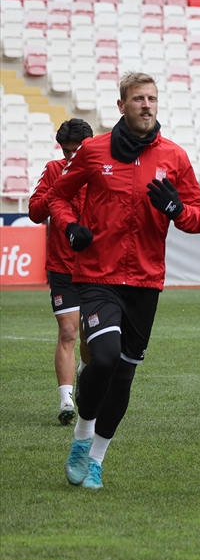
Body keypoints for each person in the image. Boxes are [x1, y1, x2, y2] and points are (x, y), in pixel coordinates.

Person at [49, 72, 200, 490]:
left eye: (151, 98)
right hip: (98, 275)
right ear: (122, 105)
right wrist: (69, 227)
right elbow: (58, 197)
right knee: (102, 358)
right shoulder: (93, 150)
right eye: (138, 98)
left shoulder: (174, 156)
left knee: (123, 375)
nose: (146, 105)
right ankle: (82, 434)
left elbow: (198, 218)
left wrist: (176, 209)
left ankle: (96, 460)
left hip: (145, 280)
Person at [27, 118, 94, 425]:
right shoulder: (54, 170)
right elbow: (35, 211)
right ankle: (66, 400)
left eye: (75, 151)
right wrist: (57, 188)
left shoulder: (103, 173)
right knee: (68, 332)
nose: (70, 157)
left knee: (89, 338)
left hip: (96, 267)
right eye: (66, 151)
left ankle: (83, 376)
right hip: (62, 266)